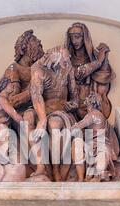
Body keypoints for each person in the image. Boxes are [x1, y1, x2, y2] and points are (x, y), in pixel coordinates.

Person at [30, 46, 80, 181]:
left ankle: (56, 170)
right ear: (56, 58)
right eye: (65, 58)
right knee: (29, 119)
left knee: (55, 123)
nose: (69, 60)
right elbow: (36, 96)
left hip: (62, 113)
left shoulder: (68, 69)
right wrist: (42, 120)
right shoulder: (39, 71)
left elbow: (75, 97)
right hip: (44, 111)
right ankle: (42, 166)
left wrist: (72, 104)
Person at [65, 22, 115, 120]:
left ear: (85, 37)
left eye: (77, 37)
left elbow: (104, 78)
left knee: (91, 126)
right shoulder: (67, 59)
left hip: (88, 99)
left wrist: (104, 59)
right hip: (72, 100)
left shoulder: (94, 56)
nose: (74, 41)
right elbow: (77, 74)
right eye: (71, 37)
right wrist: (98, 62)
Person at [71, 93, 118, 182]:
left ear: (89, 103)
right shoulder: (100, 115)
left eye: (87, 102)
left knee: (77, 142)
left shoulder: (93, 115)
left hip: (97, 147)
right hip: (97, 146)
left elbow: (78, 126)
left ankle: (81, 178)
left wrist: (65, 131)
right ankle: (88, 176)